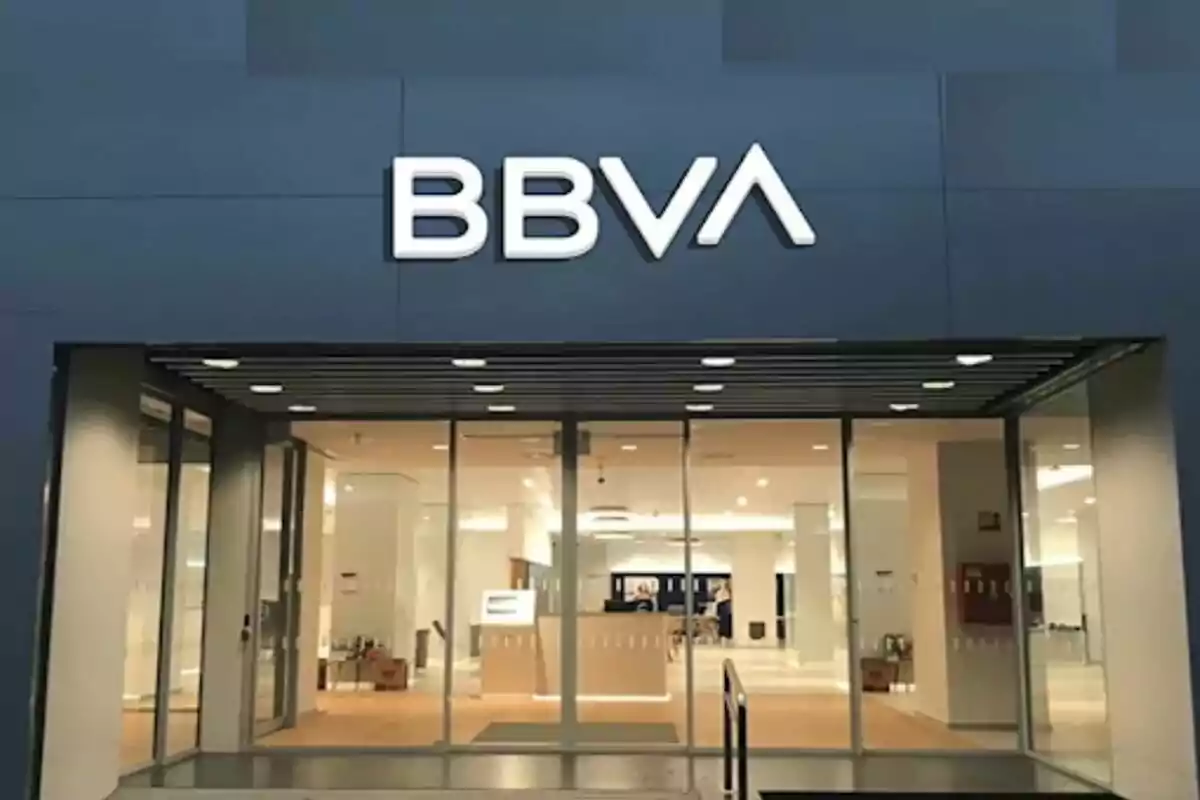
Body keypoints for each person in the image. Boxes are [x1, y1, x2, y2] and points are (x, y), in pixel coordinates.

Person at [714, 580, 733, 646]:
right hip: (724, 609)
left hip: (725, 610)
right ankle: (724, 639)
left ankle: (725, 639)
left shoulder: (724, 593)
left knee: (725, 625)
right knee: (724, 625)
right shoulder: (721, 593)